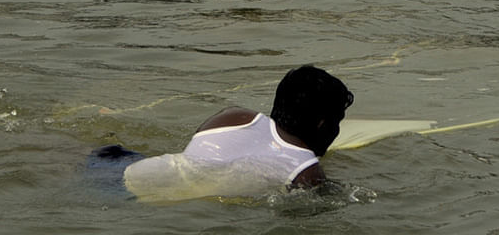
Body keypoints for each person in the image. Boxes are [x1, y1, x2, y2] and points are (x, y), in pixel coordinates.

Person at [100, 65, 354, 202]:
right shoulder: (307, 172)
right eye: (337, 121)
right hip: (147, 201)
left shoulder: (234, 117)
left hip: (122, 168)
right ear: (322, 124)